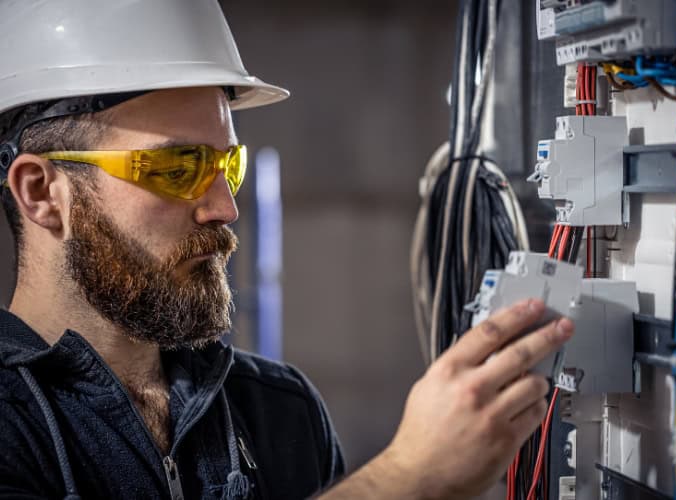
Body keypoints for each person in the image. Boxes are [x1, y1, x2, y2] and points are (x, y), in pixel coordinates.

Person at [0, 1, 574, 499]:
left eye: (228, 165)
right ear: (42, 193)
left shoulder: (279, 408)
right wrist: (405, 478)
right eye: (178, 167)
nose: (225, 208)